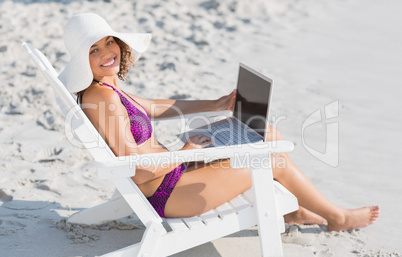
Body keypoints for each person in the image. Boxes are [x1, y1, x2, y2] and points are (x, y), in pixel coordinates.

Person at [59, 13, 379, 232]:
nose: (107, 53)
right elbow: (136, 166)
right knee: (272, 157)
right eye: (94, 49)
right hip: (169, 191)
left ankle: (294, 211)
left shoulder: (105, 89)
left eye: (109, 42)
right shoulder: (102, 98)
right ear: (82, 61)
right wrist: (184, 150)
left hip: (173, 170)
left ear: (119, 42)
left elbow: (154, 107)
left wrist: (213, 105)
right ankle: (337, 217)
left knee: (263, 132)